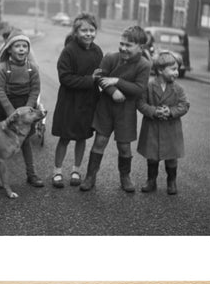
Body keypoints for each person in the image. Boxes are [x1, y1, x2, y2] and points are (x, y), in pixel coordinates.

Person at [80, 25, 151, 193]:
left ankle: (125, 177)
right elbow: (98, 75)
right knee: (100, 142)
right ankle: (90, 176)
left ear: (140, 47)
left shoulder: (144, 65)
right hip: (105, 107)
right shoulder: (110, 57)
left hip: (126, 111)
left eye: (128, 45)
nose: (123, 48)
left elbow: (139, 89)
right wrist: (113, 91)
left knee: (124, 147)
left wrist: (117, 81)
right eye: (122, 44)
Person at [0, 29, 44, 187]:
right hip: (6, 108)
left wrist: (27, 110)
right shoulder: (3, 68)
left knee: (25, 142)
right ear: (9, 49)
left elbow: (35, 90)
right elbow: (0, 90)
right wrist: (12, 113)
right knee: (1, 142)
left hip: (25, 107)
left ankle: (31, 174)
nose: (22, 49)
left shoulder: (32, 68)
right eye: (17, 46)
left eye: (25, 46)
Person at [51, 12, 103, 188]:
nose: (88, 34)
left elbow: (101, 75)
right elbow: (65, 78)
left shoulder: (97, 51)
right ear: (76, 32)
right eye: (84, 30)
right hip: (69, 102)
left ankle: (76, 171)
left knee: (82, 137)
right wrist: (91, 79)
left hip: (88, 103)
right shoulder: (69, 51)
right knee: (65, 138)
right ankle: (57, 172)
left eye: (92, 30)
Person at [136, 51, 190, 194]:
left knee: (171, 158)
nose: (176, 72)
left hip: (171, 128)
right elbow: (141, 103)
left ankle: (171, 181)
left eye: (177, 69)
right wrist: (154, 111)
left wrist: (170, 111)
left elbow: (184, 105)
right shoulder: (149, 86)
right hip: (152, 127)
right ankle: (151, 181)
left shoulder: (178, 88)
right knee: (152, 157)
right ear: (160, 70)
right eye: (173, 69)